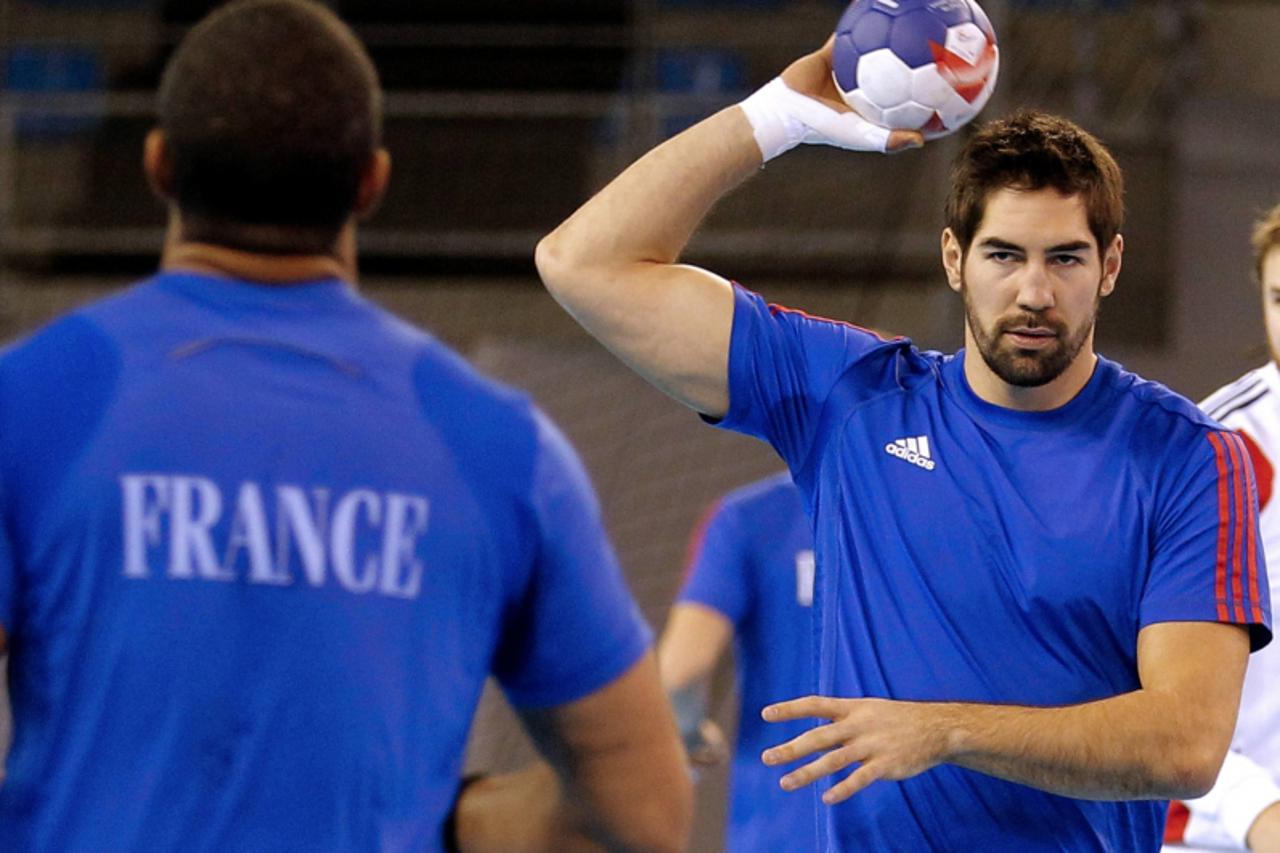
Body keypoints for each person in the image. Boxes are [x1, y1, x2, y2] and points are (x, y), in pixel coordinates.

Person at [535, 36, 1272, 852]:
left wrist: (948, 730)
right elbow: (582, 263)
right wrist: (776, 119)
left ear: (1110, 266)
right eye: (1004, 255)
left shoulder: (1191, 456)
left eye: (1065, 258)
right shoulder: (851, 398)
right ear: (955, 259)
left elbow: (1185, 745)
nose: (1033, 291)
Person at [0, 2, 692, 851]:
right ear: (371, 181)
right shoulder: (499, 448)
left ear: (158, 165)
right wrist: (450, 819)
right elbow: (644, 815)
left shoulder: (30, 403)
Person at [1164, 203, 1280, 853]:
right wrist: (1258, 811)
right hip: (1214, 833)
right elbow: (1149, 679)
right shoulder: (1225, 449)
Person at [658, 472, 817, 852]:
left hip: (784, 828)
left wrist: (692, 733)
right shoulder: (947, 504)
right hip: (938, 823)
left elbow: (680, 671)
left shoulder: (748, 517)